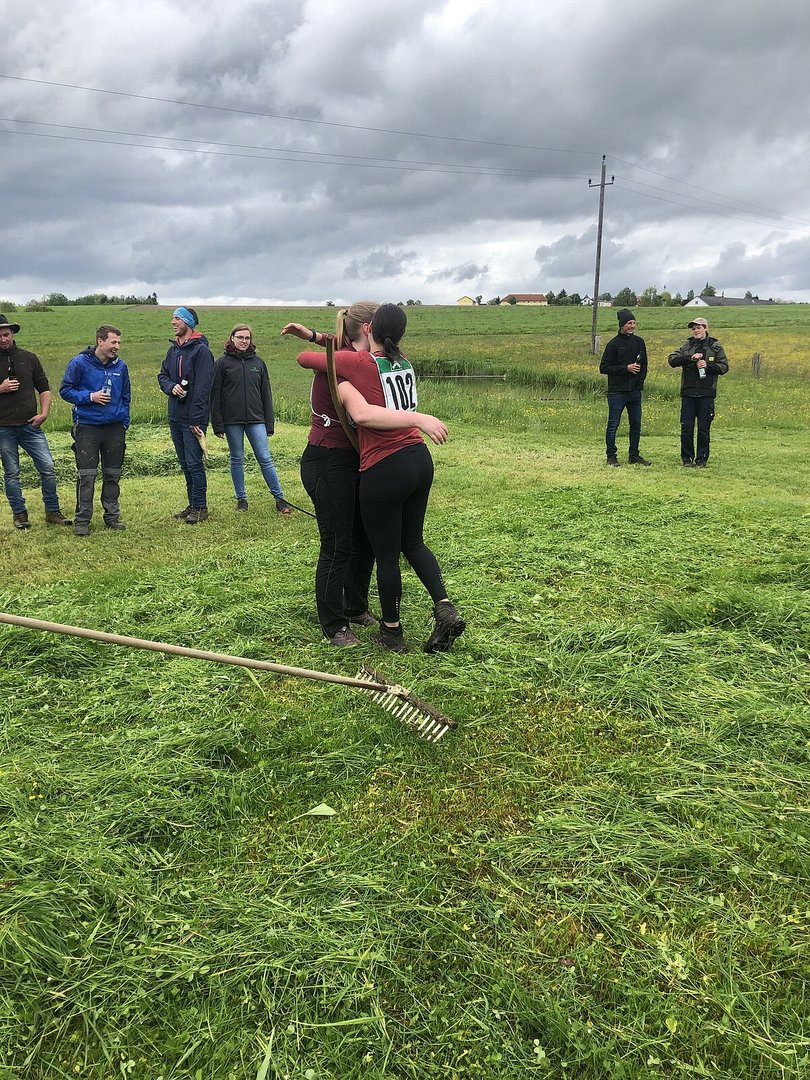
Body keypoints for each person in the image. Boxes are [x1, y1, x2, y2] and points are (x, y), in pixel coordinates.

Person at [297, 303, 465, 655]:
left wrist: (317, 338)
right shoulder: (400, 361)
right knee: (378, 542)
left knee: (379, 550)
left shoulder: (359, 363)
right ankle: (438, 607)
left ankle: (387, 629)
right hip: (408, 457)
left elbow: (308, 360)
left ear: (370, 329)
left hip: (382, 463)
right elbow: (341, 385)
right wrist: (326, 339)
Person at [281, 303, 378, 647]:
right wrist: (314, 339)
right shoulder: (345, 359)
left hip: (350, 458)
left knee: (363, 538)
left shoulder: (356, 356)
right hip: (327, 460)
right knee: (337, 543)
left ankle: (355, 607)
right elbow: (312, 356)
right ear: (368, 328)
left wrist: (313, 335)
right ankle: (334, 624)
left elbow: (335, 344)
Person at [0, 313, 72, 530]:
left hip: (30, 425)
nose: (3, 339)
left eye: (6, 334)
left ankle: (53, 511)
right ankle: (20, 515)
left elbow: (44, 388)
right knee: (12, 473)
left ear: (12, 334)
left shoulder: (29, 358)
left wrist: (44, 413)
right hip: (3, 427)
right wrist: (1, 388)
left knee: (47, 467)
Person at [210, 323, 292, 514]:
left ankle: (280, 499)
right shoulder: (222, 363)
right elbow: (215, 395)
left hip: (257, 419)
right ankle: (242, 500)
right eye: (240, 337)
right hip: (232, 421)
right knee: (237, 458)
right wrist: (217, 424)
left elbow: (266, 394)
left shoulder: (258, 363)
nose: (244, 341)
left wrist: (269, 423)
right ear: (232, 338)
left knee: (265, 457)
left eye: (247, 338)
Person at [60, 325, 131, 536]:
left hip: (115, 428)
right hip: (87, 427)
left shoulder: (121, 366)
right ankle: (82, 520)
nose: (117, 346)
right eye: (113, 342)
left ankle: (112, 517)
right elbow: (65, 390)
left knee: (112, 474)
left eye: (119, 342)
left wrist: (124, 421)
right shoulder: (79, 363)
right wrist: (90, 397)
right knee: (87, 476)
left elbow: (126, 396)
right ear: (100, 341)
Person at [157, 307, 214, 524]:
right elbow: (162, 375)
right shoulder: (173, 350)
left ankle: (201, 507)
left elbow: (203, 389)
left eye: (177, 318)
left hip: (192, 419)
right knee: (185, 464)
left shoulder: (201, 352)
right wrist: (171, 387)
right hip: (175, 415)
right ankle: (192, 504)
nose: (172, 322)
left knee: (194, 463)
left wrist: (196, 419)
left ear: (188, 323)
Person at [668, 316, 729, 467]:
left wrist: (708, 365)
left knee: (703, 429)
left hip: (706, 393)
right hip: (688, 393)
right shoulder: (687, 346)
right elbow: (672, 360)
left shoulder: (715, 347)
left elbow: (724, 367)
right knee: (686, 428)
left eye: (699, 327)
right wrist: (690, 358)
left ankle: (701, 460)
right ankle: (687, 459)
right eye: (694, 328)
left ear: (706, 328)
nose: (696, 331)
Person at [599, 308, 651, 466]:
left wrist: (639, 385)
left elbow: (644, 365)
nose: (632, 326)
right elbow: (604, 367)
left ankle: (634, 455)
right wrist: (625, 368)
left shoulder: (639, 342)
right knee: (613, 425)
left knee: (636, 425)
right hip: (617, 392)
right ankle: (611, 456)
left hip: (634, 391)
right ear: (622, 325)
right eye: (629, 323)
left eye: (634, 323)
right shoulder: (613, 344)